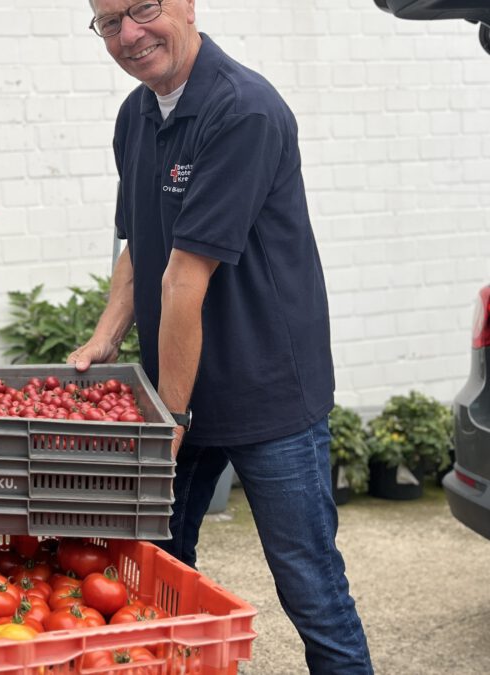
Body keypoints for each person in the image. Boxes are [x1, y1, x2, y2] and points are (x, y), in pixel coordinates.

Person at [69, 1, 373, 672]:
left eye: (143, 9)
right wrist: (104, 337)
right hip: (178, 391)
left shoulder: (244, 112)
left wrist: (169, 416)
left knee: (312, 590)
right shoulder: (137, 116)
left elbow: (182, 280)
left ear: (185, 4)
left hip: (266, 395)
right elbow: (140, 245)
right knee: (156, 573)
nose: (129, 35)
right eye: (109, 20)